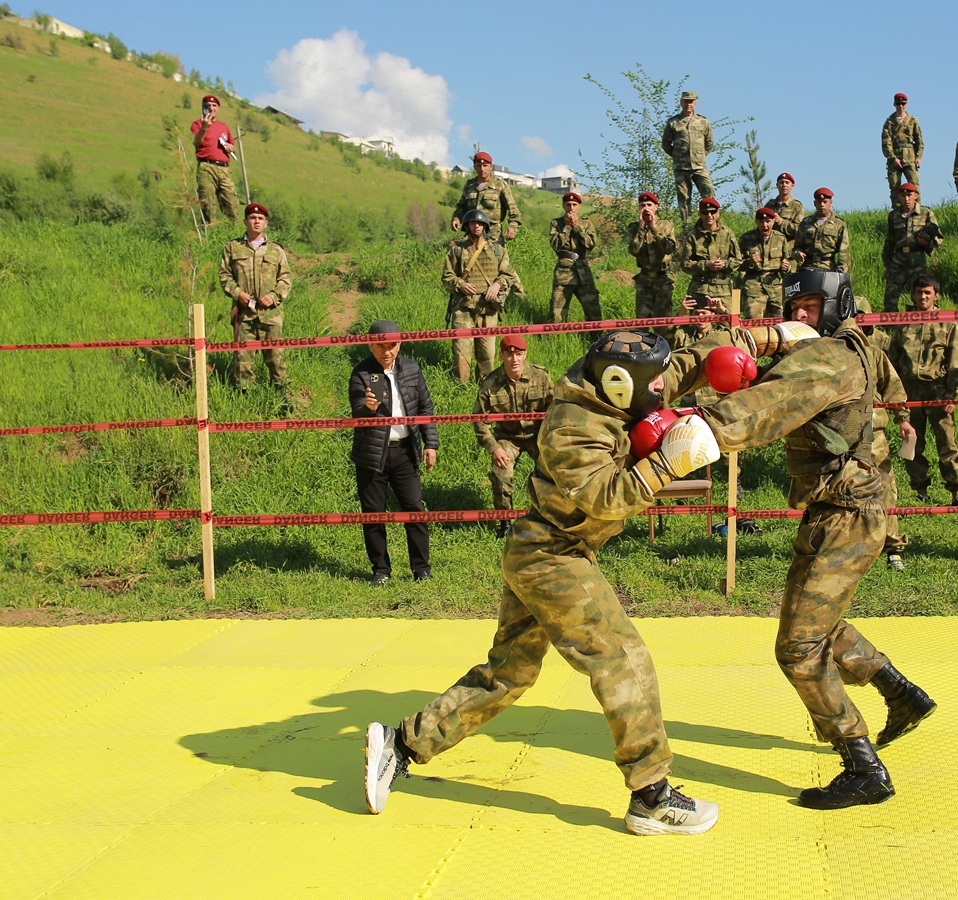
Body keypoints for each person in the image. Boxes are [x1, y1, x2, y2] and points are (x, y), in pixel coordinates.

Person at [360, 315, 855, 830]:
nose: (663, 388)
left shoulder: (620, 383)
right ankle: (652, 795)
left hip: (542, 547)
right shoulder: (572, 429)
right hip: (552, 555)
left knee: (509, 674)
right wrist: (666, 464)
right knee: (622, 659)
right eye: (653, 385)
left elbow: (690, 362)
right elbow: (606, 499)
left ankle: (402, 742)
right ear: (621, 385)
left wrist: (768, 337)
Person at [775, 268, 936, 807]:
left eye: (809, 305)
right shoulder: (818, 354)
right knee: (814, 622)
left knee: (799, 646)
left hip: (848, 508)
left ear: (835, 306)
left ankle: (863, 767)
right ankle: (899, 691)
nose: (799, 315)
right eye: (793, 307)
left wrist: (700, 425)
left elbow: (761, 413)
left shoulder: (839, 356)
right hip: (834, 507)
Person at [350, 320, 439, 585]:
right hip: (372, 455)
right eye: (381, 346)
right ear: (371, 345)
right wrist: (368, 408)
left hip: (405, 452)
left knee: (414, 509)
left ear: (399, 344)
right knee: (373, 514)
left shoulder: (412, 369)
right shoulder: (362, 373)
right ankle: (381, 570)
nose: (386, 351)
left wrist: (431, 444)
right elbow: (357, 413)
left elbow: (425, 408)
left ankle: (421, 568)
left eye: (391, 345)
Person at [887, 274, 958, 505]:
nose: (923, 296)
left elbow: (955, 361)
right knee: (912, 443)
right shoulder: (903, 322)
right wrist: (894, 394)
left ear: (936, 295)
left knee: (947, 444)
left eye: (927, 292)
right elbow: (893, 360)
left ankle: (956, 492)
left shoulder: (947, 322)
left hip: (937, 390)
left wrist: (951, 394)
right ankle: (921, 491)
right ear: (913, 294)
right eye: (919, 292)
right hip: (909, 391)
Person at [473, 334, 552, 531]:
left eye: (519, 354)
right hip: (508, 437)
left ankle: (549, 517)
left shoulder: (541, 377)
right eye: (509, 354)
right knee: (501, 473)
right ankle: (505, 522)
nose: (514, 359)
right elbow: (479, 421)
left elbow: (555, 410)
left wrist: (551, 441)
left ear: (525, 355)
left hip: (537, 435)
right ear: (501, 355)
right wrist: (494, 448)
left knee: (553, 470)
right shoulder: (490, 384)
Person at [219, 203, 291, 396]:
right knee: (243, 360)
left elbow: (285, 279)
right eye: (252, 218)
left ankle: (281, 396)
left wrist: (273, 296)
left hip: (271, 314)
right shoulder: (232, 247)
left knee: (276, 358)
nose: (256, 221)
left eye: (260, 218)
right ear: (245, 221)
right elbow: (225, 276)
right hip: (245, 314)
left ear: (265, 223)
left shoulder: (276, 250)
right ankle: (244, 397)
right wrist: (238, 294)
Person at [863, 319, 917, 568]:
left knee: (885, 489)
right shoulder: (829, 349)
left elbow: (893, 386)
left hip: (873, 433)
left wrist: (903, 419)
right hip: (837, 434)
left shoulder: (875, 352)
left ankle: (893, 547)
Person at [443, 209, 515, 382]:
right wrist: (460, 284)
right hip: (464, 308)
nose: (477, 226)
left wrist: (497, 285)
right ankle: (461, 388)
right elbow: (447, 277)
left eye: (480, 223)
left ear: (485, 226)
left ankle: (486, 388)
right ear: (467, 226)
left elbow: (508, 275)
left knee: (487, 356)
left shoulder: (497, 250)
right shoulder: (457, 250)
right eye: (473, 223)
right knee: (461, 354)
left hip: (488, 309)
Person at [881, 183, 942, 312]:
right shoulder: (894, 215)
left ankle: (920, 322)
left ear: (916, 195)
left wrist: (927, 243)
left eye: (909, 195)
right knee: (890, 296)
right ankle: (891, 323)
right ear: (899, 197)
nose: (906, 199)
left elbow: (938, 237)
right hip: (898, 259)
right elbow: (889, 241)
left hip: (917, 258)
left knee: (919, 295)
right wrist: (888, 264)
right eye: (903, 196)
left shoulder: (925, 213)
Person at [661, 91, 714, 225]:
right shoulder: (673, 122)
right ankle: (687, 225)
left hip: (699, 166)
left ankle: (709, 222)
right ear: (681, 103)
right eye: (685, 101)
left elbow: (709, 142)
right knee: (684, 198)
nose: (688, 104)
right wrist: (677, 156)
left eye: (691, 101)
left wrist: (700, 156)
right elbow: (666, 144)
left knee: (708, 191)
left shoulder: (703, 122)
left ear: (695, 103)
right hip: (681, 167)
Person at [626, 191, 678, 321]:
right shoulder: (634, 228)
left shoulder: (665, 225)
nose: (646, 208)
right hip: (644, 280)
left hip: (663, 279)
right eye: (642, 205)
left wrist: (654, 228)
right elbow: (633, 250)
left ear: (656, 207)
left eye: (649, 205)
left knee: (662, 321)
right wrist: (641, 229)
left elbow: (669, 248)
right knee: (642, 321)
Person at [549, 192, 600, 323]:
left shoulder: (586, 223)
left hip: (583, 269)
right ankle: (556, 334)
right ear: (563, 206)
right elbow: (555, 245)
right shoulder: (556, 223)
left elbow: (591, 244)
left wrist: (576, 227)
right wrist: (566, 227)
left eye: (574, 205)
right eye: (568, 204)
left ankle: (596, 334)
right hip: (564, 270)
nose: (571, 208)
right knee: (557, 310)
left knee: (593, 307)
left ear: (579, 206)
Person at [451, 151, 521, 243]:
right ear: (474, 167)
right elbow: (461, 206)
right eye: (479, 166)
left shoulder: (500, 185)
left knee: (493, 252)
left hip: (493, 234)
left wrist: (512, 227)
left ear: (491, 167)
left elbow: (514, 210)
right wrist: (456, 218)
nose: (482, 169)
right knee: (459, 250)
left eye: (485, 166)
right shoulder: (470, 185)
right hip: (472, 233)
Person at [190, 94, 239, 225]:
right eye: (208, 105)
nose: (211, 108)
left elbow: (233, 146)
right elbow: (196, 142)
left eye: (214, 105)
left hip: (224, 169)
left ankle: (233, 232)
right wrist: (204, 128)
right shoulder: (197, 124)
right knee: (207, 204)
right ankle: (209, 232)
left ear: (218, 108)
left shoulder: (224, 126)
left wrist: (230, 147)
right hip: (206, 167)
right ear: (203, 107)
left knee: (231, 204)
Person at [680, 197, 741, 300]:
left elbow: (738, 260)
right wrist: (706, 264)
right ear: (700, 214)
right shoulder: (693, 236)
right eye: (705, 212)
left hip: (724, 291)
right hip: (700, 289)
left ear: (718, 213)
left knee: (729, 311)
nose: (709, 215)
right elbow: (685, 264)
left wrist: (724, 264)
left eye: (713, 212)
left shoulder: (727, 233)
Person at [739, 206, 791, 318]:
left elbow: (787, 261)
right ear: (756, 222)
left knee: (782, 319)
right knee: (753, 320)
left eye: (768, 221)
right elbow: (737, 264)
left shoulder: (780, 238)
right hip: (754, 285)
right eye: (761, 222)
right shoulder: (746, 238)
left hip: (775, 285)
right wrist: (750, 262)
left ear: (773, 221)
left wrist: (786, 267)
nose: (765, 225)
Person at [794, 188, 851, 273]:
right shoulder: (805, 223)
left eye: (825, 202)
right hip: (807, 269)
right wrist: (797, 254)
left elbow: (844, 251)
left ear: (830, 203)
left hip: (829, 269)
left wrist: (841, 271)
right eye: (819, 202)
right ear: (814, 203)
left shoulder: (839, 224)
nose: (822, 205)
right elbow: (796, 247)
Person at [881, 93, 923, 207]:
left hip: (910, 156)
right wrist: (893, 158)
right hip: (895, 156)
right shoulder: (889, 122)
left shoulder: (913, 121)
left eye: (903, 104)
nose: (901, 106)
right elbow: (886, 143)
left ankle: (917, 210)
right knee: (894, 186)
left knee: (914, 184)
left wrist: (918, 157)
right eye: (898, 104)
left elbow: (919, 140)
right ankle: (897, 211)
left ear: (906, 104)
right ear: (894, 105)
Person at [766, 172, 807, 242]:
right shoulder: (770, 205)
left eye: (787, 183)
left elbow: (799, 229)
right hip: (771, 244)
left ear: (792, 186)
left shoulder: (796, 206)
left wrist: (781, 221)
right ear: (777, 185)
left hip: (788, 245)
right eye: (781, 183)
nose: (784, 185)